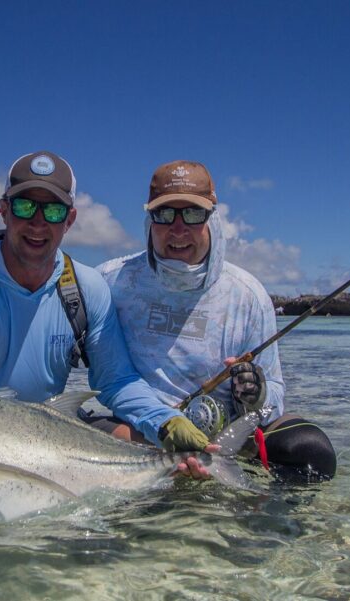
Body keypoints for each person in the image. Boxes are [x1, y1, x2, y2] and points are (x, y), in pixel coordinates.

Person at [0, 151, 217, 529]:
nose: (38, 223)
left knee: (145, 450)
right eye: (26, 206)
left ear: (71, 219)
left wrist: (166, 421)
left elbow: (116, 381)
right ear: (4, 211)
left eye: (54, 211)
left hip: (56, 430)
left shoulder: (85, 287)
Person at [92, 160, 336, 482]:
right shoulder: (109, 281)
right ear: (149, 220)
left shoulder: (249, 295)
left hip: (226, 437)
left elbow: (275, 397)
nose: (178, 230)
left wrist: (257, 395)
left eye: (193, 214)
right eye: (165, 215)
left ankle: (265, 524)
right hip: (140, 431)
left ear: (213, 219)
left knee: (310, 448)